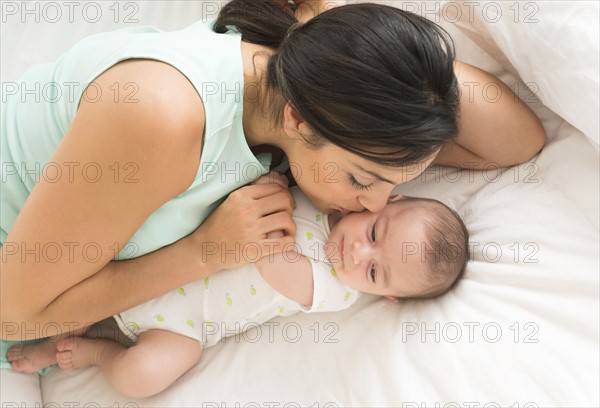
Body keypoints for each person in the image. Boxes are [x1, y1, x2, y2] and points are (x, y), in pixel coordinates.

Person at [1, 0, 544, 355]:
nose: (376, 205)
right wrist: (204, 253)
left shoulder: (301, 82)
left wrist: (377, 58)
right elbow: (11, 316)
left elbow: (517, 141)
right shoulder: (161, 114)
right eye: (362, 179)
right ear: (298, 120)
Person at [7, 173, 469, 398]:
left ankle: (89, 352)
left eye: (374, 271)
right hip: (159, 265)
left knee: (142, 376)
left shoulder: (338, 288)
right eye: (373, 235)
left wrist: (274, 211)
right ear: (386, 202)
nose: (357, 254)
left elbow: (277, 268)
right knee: (83, 277)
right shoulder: (323, 195)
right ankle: (53, 318)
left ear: (383, 294)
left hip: (183, 325)